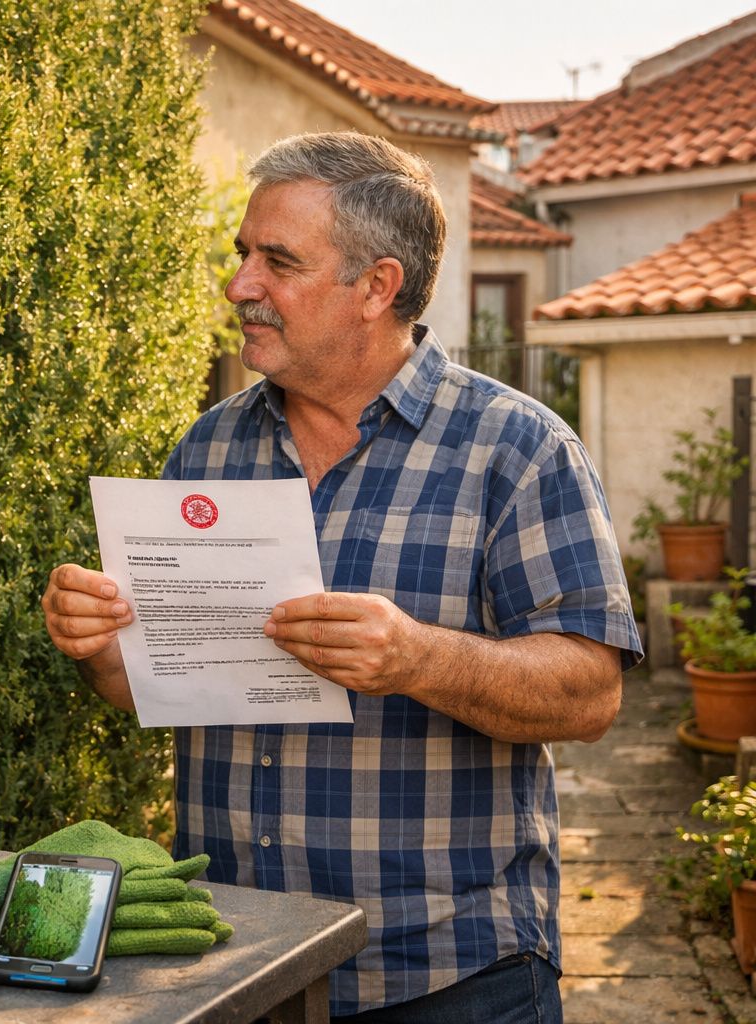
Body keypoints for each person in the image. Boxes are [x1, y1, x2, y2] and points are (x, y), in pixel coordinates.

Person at [42, 131, 642, 1023]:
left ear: (377, 287)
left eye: (277, 261)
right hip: (239, 966)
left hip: (448, 976)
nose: (241, 285)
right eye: (244, 255)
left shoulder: (516, 449)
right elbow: (147, 687)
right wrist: (96, 644)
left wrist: (415, 658)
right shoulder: (206, 450)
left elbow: (590, 696)